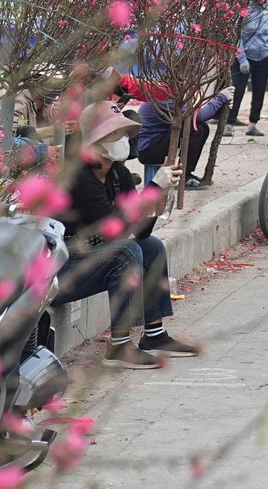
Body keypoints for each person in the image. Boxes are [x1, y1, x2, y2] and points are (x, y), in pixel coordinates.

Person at [53, 101, 200, 369]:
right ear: (95, 141)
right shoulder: (77, 176)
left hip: (96, 257)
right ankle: (119, 345)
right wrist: (153, 187)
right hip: (64, 268)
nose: (122, 140)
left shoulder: (117, 173)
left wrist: (159, 197)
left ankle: (154, 335)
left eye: (123, 134)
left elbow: (140, 230)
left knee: (151, 246)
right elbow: (115, 226)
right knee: (125, 251)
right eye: (114, 134)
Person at [136, 90, 231, 189]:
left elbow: (198, 115)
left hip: (157, 144)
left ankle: (186, 173)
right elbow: (199, 116)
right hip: (149, 151)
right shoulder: (163, 98)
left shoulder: (170, 94)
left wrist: (221, 105)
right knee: (192, 126)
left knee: (201, 127)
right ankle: (183, 177)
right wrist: (220, 98)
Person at [228, 0, 268, 137]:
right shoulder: (243, 14)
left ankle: (253, 123)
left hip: (263, 58)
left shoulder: (267, 16)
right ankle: (229, 122)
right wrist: (241, 59)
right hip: (245, 58)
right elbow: (237, 38)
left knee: (259, 92)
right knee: (237, 91)